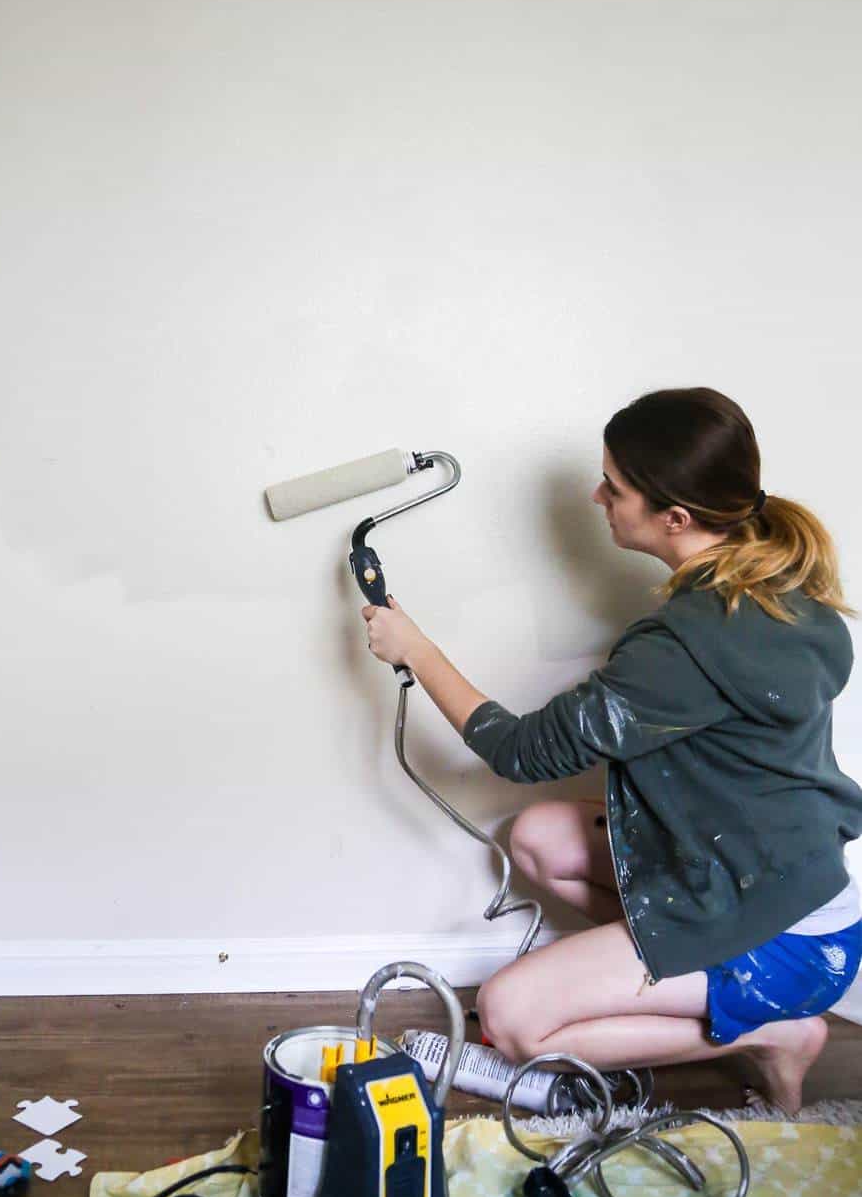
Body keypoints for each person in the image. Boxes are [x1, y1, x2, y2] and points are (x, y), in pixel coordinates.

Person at [361, 387, 862, 1115]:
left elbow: (519, 750)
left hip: (789, 941)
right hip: (779, 884)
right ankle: (679, 977)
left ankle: (777, 1033)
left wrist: (417, 649)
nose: (599, 496)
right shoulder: (784, 593)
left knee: (511, 1019)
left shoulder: (685, 645)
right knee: (536, 838)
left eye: (615, 487)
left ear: (676, 518)